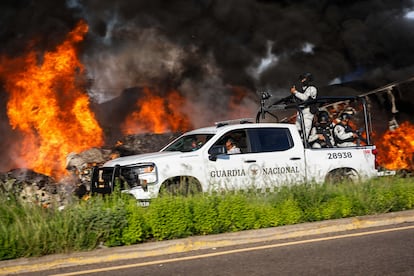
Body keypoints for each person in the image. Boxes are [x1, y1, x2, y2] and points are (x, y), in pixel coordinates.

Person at [290, 72, 318, 140]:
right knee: (296, 130)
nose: (302, 80)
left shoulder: (312, 88)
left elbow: (304, 97)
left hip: (308, 112)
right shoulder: (302, 89)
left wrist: (295, 92)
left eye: (304, 79)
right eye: (301, 79)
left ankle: (304, 145)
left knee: (305, 132)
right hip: (300, 111)